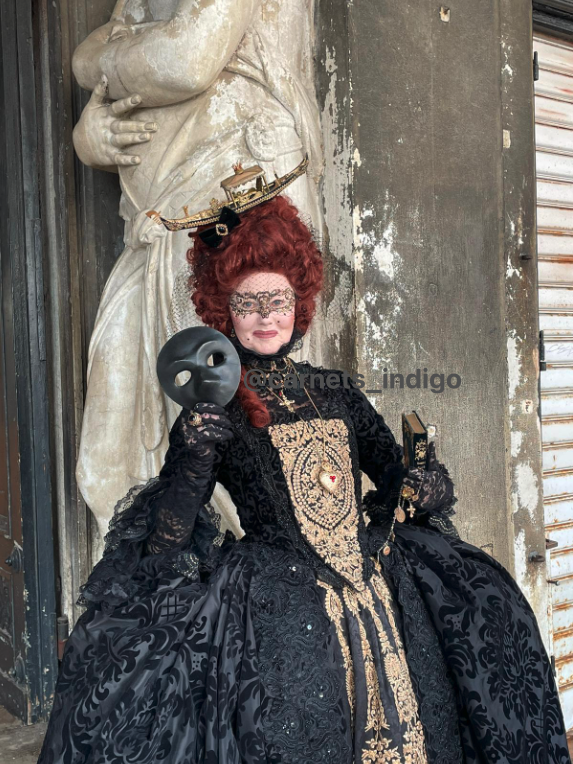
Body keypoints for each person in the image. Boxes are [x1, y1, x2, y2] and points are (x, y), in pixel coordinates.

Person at [38, 189, 571, 764]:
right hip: (276, 601)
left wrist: (421, 481)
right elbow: (169, 536)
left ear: (300, 302)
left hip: (378, 582)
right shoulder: (217, 411)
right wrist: (194, 455)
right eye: (249, 302)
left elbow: (391, 468)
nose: (266, 315)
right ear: (223, 312)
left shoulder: (335, 388)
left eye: (277, 298)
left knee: (486, 623)